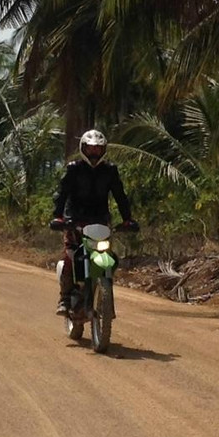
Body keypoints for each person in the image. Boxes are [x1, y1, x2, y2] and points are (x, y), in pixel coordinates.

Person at [50, 129, 135, 314]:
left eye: (98, 149)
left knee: (110, 257)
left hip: (100, 222)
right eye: (90, 149)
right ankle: (65, 298)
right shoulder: (74, 169)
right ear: (83, 149)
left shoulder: (110, 171)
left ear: (103, 150)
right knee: (70, 256)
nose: (94, 153)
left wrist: (128, 219)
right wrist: (59, 217)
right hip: (75, 220)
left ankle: (103, 289)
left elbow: (120, 196)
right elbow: (61, 194)